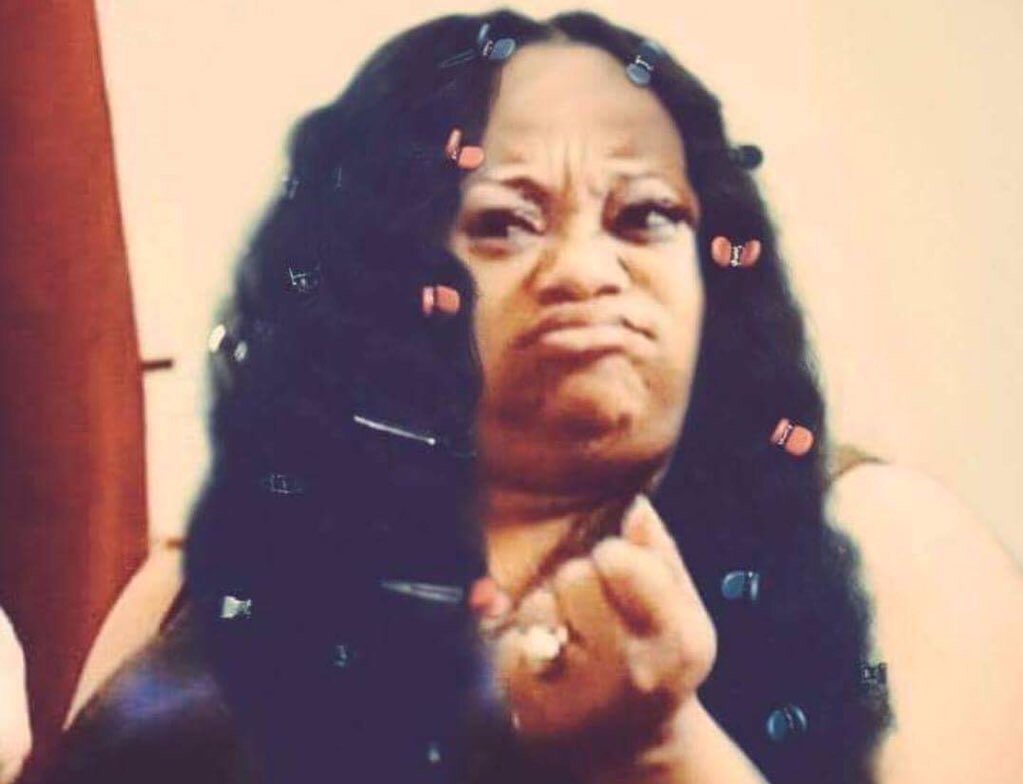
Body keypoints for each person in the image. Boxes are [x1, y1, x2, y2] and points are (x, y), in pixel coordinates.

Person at [48, 9, 1023, 784]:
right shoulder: (201, 579)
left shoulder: (886, 546)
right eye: (506, 222)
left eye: (646, 216)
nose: (585, 271)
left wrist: (660, 751)